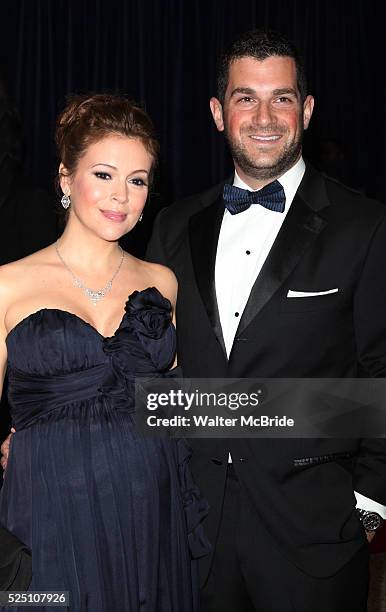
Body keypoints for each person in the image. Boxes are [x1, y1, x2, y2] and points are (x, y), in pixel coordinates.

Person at [145, 29, 386, 612]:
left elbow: (380, 372)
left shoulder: (366, 225)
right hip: (191, 528)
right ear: (217, 112)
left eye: (281, 97)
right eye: (244, 98)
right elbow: (150, 370)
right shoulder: (173, 225)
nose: (263, 117)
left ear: (305, 109)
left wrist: (369, 505)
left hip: (315, 533)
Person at [0, 93, 209, 611]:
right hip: (47, 527)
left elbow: (180, 409)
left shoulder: (162, 282)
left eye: (137, 180)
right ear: (66, 178)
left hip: (152, 520)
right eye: (104, 175)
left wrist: (342, 410)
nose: (122, 196)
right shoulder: (7, 285)